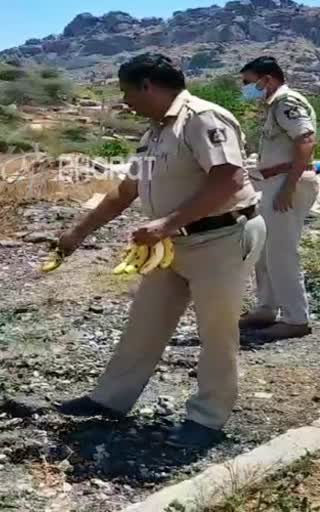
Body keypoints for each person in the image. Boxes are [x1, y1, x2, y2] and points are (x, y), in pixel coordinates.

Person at [53, 53, 266, 449]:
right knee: (145, 322)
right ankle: (109, 401)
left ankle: (207, 419)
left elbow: (229, 179)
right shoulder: (154, 132)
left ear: (147, 85)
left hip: (221, 237)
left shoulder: (202, 118)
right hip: (172, 244)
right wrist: (76, 234)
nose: (126, 101)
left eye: (127, 92)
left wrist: (166, 223)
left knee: (217, 332)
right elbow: (126, 191)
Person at [238, 56, 319, 342]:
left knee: (281, 251)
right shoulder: (274, 105)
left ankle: (296, 318)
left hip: (288, 183)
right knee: (263, 246)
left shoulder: (287, 102)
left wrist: (288, 186)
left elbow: (305, 141)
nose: (246, 88)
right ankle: (266, 308)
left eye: (249, 82)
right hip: (276, 182)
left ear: (267, 79)